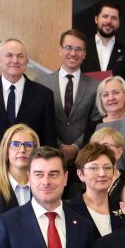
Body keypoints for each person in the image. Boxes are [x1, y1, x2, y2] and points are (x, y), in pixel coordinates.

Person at [0, 38, 56, 177]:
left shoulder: (44, 95)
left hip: (30, 175)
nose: (15, 60)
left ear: (27, 61)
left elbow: (49, 142)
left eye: (20, 56)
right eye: (9, 55)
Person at [35, 29, 102, 163]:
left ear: (84, 54)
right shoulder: (40, 83)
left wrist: (75, 146)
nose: (73, 53)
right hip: (48, 156)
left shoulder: (96, 86)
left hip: (83, 157)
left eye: (78, 49)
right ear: (60, 50)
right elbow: (38, 120)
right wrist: (59, 145)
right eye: (68, 48)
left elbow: (96, 122)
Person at [70, 143, 125, 234]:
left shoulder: (123, 209)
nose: (102, 174)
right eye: (94, 168)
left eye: (107, 168)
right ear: (80, 174)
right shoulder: (68, 210)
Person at [82, 1, 125, 81]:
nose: (109, 21)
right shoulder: (82, 48)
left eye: (114, 18)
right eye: (105, 16)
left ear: (119, 23)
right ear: (96, 19)